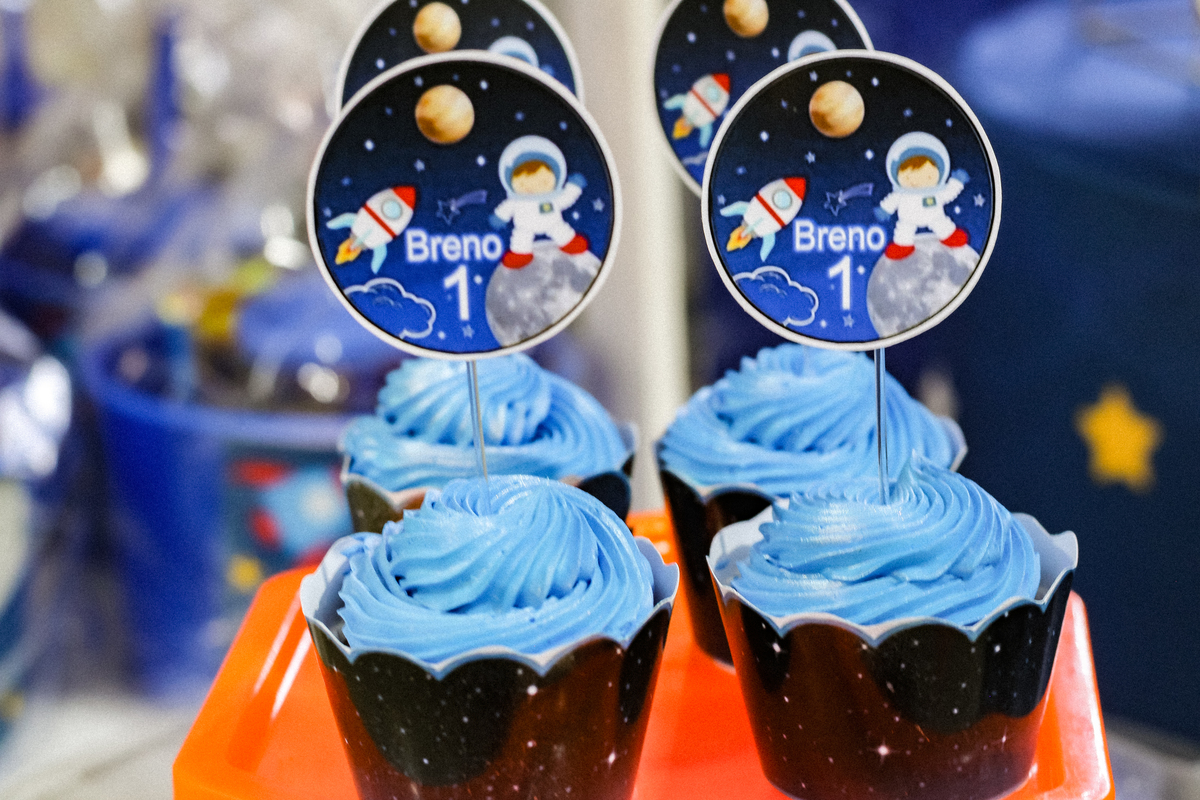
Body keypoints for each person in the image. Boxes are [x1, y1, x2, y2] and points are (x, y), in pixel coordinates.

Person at [490, 135, 589, 269]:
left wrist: (574, 187)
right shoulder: (516, 202)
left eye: (543, 181)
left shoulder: (553, 198)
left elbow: (566, 199)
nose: (532, 186)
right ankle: (520, 254)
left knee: (559, 229)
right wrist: (499, 217)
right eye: (523, 183)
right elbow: (506, 208)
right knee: (521, 236)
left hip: (552, 222)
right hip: (525, 226)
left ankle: (568, 241)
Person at [875, 131, 969, 260]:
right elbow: (891, 201)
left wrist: (957, 182)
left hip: (934, 216)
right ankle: (902, 245)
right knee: (904, 229)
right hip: (908, 219)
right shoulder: (901, 194)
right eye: (908, 176)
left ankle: (949, 235)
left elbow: (948, 193)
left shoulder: (936, 192)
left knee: (941, 223)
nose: (917, 181)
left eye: (927, 176)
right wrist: (885, 209)